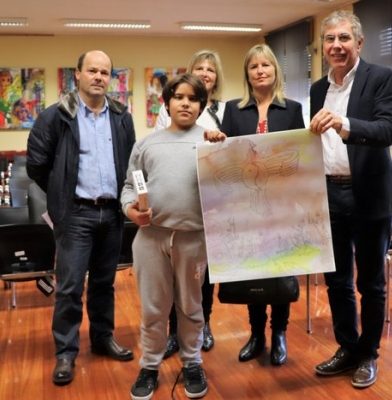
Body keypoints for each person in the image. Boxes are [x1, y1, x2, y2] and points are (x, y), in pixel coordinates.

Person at [26, 50, 136, 386]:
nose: (99, 77)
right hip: (75, 214)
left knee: (105, 283)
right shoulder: (55, 117)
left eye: (105, 72)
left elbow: (130, 162)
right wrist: (61, 196)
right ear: (77, 74)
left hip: (112, 213)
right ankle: (65, 353)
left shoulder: (121, 116)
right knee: (71, 288)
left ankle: (102, 339)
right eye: (92, 71)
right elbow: (36, 166)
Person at [309, 11, 392, 389]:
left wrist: (343, 123)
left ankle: (368, 354)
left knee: (372, 284)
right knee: (337, 281)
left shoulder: (380, 78)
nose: (336, 45)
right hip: (329, 193)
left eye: (344, 38)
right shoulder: (318, 88)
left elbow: (386, 130)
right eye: (330, 39)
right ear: (323, 47)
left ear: (359, 43)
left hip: (369, 194)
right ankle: (347, 348)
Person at [122, 73, 226, 400]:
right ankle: (150, 366)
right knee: (154, 308)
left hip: (194, 239)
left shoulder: (212, 141)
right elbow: (129, 187)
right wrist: (131, 211)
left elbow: (229, 185)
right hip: (151, 239)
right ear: (167, 102)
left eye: (193, 99)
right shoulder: (146, 144)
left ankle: (192, 362)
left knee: (191, 305)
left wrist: (222, 148)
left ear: (200, 106)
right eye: (179, 97)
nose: (185, 103)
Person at [219, 44, 305, 366]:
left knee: (281, 270)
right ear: (247, 74)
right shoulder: (232, 110)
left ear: (275, 71)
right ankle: (256, 334)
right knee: (253, 272)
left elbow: (299, 158)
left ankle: (279, 333)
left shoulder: (293, 109)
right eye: (253, 66)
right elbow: (225, 156)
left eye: (266, 65)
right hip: (245, 206)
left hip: (282, 207)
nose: (260, 71)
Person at [153, 50, 226, 360]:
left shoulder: (224, 111)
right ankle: (174, 331)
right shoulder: (167, 111)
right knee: (174, 273)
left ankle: (203, 326)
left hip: (210, 203)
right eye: (200, 67)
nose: (206, 73)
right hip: (177, 202)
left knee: (203, 274)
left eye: (211, 69)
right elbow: (160, 150)